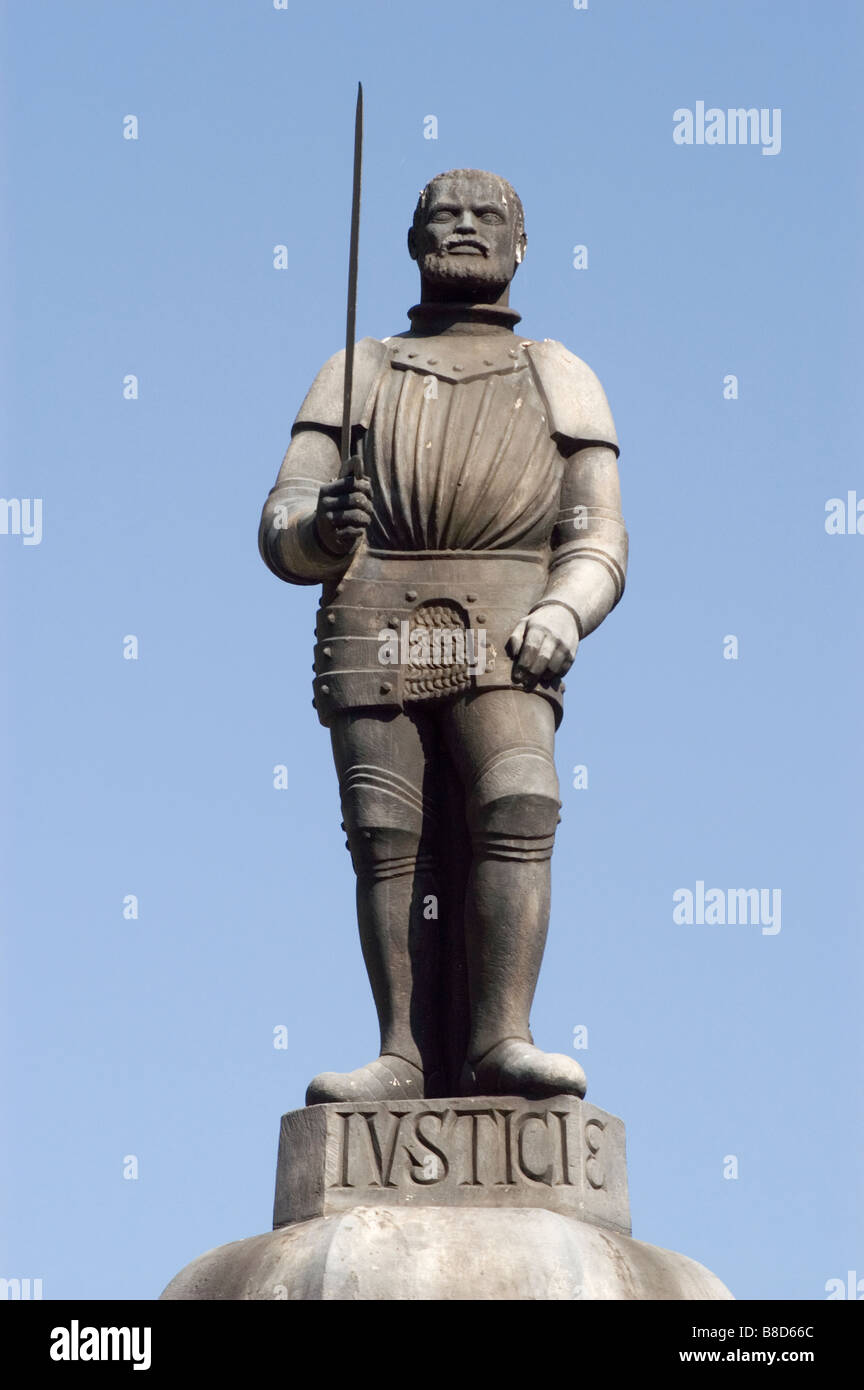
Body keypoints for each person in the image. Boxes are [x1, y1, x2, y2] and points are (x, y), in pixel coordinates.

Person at [258, 169, 627, 1103]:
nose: (463, 227)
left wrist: (565, 608)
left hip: (509, 619)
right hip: (376, 616)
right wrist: (320, 530)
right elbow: (281, 523)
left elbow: (599, 535)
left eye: (486, 216)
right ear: (411, 239)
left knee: (518, 801)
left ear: (521, 244)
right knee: (388, 833)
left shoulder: (560, 373)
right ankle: (401, 1051)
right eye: (441, 215)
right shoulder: (359, 369)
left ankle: (504, 1034)